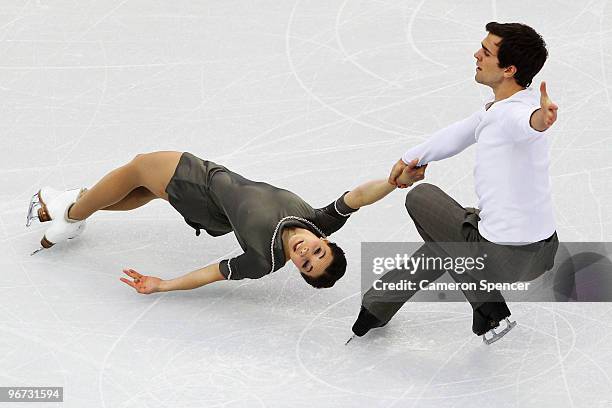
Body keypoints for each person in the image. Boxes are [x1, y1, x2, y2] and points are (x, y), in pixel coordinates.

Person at [351, 22, 561, 344]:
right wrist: (411, 158)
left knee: (421, 197)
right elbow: (459, 132)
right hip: (544, 251)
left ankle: (486, 302)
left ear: (509, 69)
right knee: (443, 244)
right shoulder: (502, 107)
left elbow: (527, 124)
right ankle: (376, 307)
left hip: (504, 259)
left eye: (486, 51)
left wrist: (540, 122)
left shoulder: (517, 115)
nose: (476, 54)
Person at [26, 151, 427, 293]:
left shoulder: (263, 260)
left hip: (201, 185)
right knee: (143, 189)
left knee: (140, 167)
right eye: (317, 251)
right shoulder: (319, 220)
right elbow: (358, 198)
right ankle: (75, 207)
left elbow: (212, 273)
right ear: (325, 241)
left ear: (298, 270)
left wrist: (163, 284)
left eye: (306, 264)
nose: (306, 252)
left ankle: (69, 214)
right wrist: (394, 182)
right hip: (213, 210)